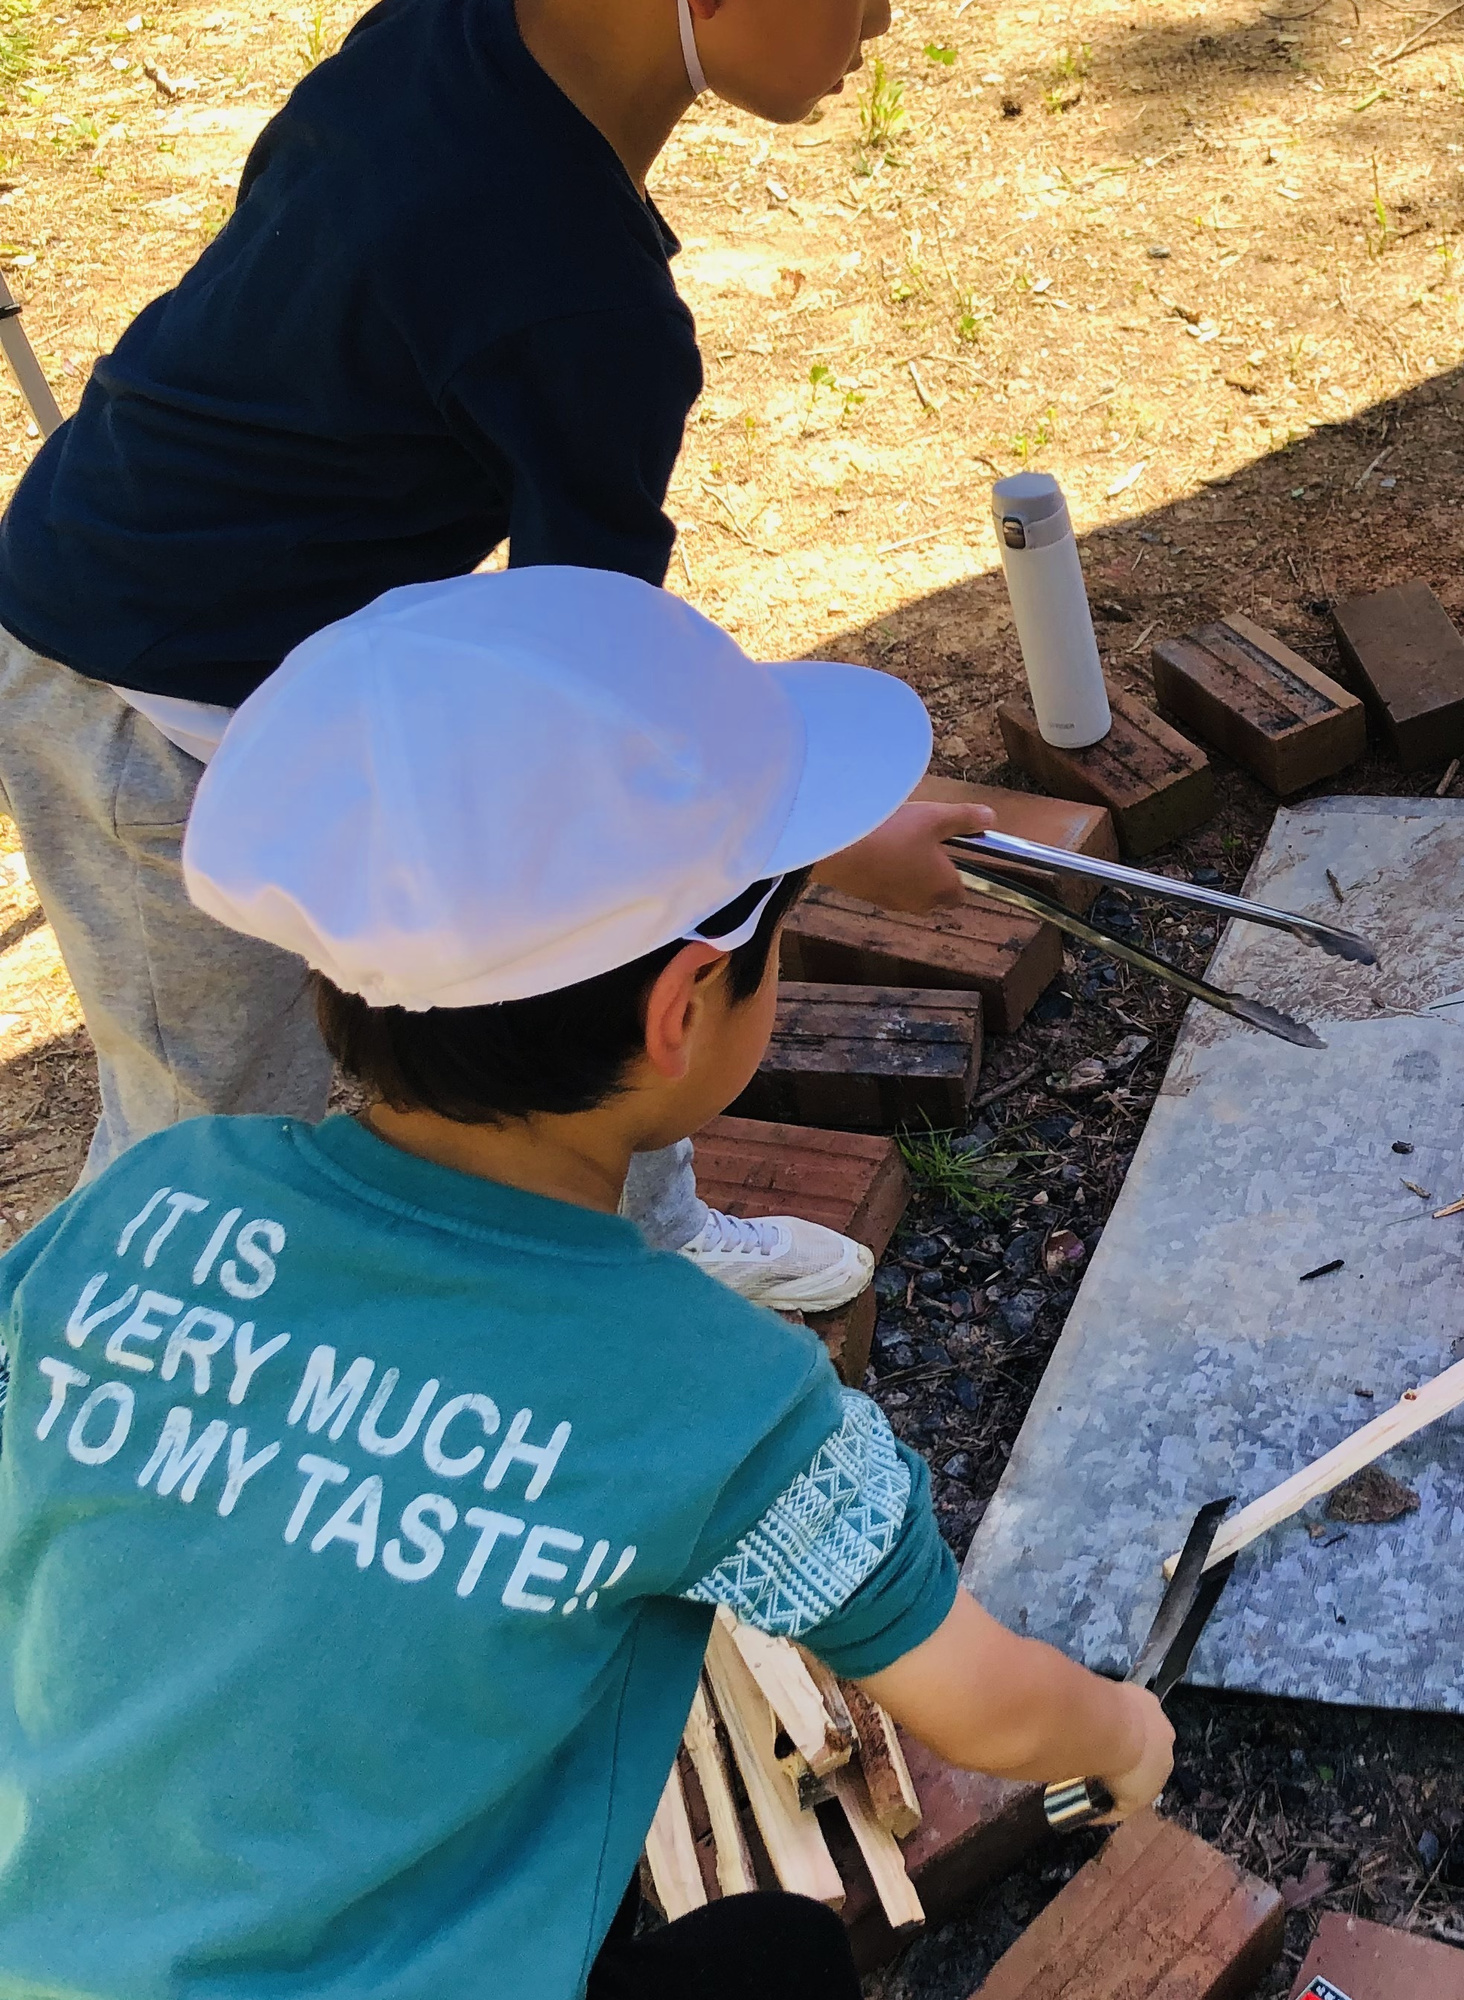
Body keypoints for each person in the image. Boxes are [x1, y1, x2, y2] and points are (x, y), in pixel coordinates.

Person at [0, 570, 1175, 2000]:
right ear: (683, 1012)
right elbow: (985, 1708)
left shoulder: (152, 1198)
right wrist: (1125, 1735)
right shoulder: (708, 1391)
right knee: (781, 1965)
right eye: (779, 946)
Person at [0, 0, 976, 1309]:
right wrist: (827, 832)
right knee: (206, 1131)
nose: (884, 18)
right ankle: (109, 1363)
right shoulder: (586, 303)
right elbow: (594, 701)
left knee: (576, 926)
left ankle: (650, 1239)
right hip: (132, 687)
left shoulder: (447, 33)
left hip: (300, 657)